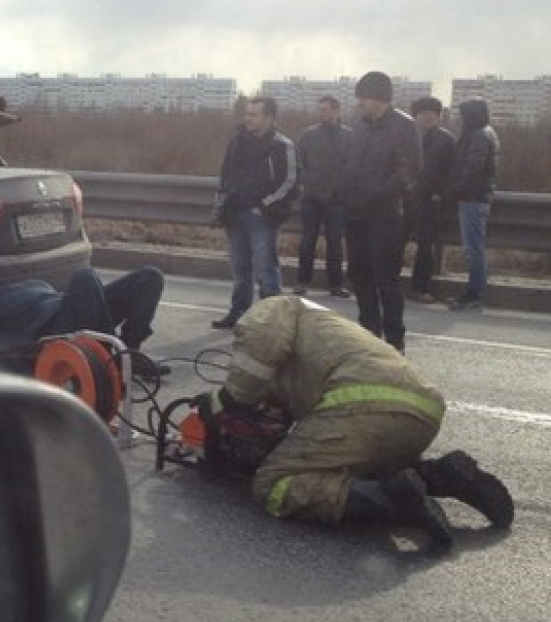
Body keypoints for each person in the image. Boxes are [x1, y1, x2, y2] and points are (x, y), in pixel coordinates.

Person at [193, 295, 513, 553]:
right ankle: (439, 476)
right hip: (423, 409)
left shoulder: (271, 309)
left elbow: (258, 356)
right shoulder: (323, 324)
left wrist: (230, 398)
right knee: (349, 469)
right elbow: (286, 394)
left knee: (274, 484)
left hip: (363, 404)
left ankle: (391, 502)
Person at [0, 266, 170, 377]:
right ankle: (116, 360)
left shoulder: (30, 284)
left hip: (73, 308)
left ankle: (129, 352)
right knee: (84, 276)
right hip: (58, 327)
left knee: (150, 277)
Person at [340, 71, 419, 352]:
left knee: (385, 278)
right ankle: (368, 335)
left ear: (379, 99)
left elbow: (408, 173)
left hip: (384, 215)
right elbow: (350, 163)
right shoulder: (360, 126)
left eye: (363, 98)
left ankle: (395, 340)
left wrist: (376, 191)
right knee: (359, 274)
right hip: (355, 213)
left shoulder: (404, 126)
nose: (359, 104)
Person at [211, 96, 298, 330]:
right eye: (246, 113)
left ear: (269, 118)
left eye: (253, 114)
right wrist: (221, 202)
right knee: (240, 268)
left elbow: (290, 182)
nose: (247, 118)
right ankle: (238, 313)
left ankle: (271, 321)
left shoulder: (283, 146)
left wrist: (264, 206)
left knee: (265, 267)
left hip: (263, 217)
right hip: (235, 212)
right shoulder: (237, 141)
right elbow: (225, 173)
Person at [292, 95, 352, 298]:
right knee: (308, 240)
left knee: (335, 243)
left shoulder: (349, 137)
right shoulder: (307, 136)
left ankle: (335, 285)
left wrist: (342, 189)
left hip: (337, 199)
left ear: (336, 111)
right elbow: (298, 164)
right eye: (319, 109)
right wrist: (307, 184)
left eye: (325, 109)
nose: (321, 113)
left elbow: (352, 167)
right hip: (311, 197)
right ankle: (302, 281)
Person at [446, 97, 500, 312]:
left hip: (473, 197)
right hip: (477, 196)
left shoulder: (478, 135)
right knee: (474, 248)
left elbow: (472, 167)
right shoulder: (486, 132)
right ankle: (473, 293)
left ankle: (474, 295)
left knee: (473, 248)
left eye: (464, 115)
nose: (461, 119)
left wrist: (453, 189)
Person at [407, 96, 457, 304]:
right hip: (404, 198)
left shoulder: (447, 140)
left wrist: (440, 193)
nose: (427, 118)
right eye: (423, 114)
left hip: (430, 200)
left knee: (425, 246)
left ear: (438, 117)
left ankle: (420, 288)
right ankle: (386, 282)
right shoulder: (405, 136)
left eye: (432, 115)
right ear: (415, 117)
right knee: (392, 242)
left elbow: (452, 172)